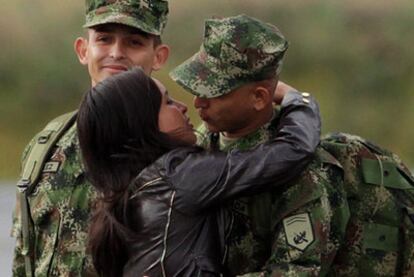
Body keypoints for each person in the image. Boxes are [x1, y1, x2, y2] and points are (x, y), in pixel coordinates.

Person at [171, 15, 414, 277]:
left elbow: (296, 271)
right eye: (196, 87)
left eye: (214, 92)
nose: (198, 102)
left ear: (259, 97)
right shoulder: (202, 142)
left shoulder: (303, 175)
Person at [77, 67, 321, 276]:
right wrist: (297, 99)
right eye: (168, 102)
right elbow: (292, 151)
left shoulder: (122, 197)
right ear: (142, 124)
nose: (184, 107)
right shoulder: (177, 175)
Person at [11, 0, 173, 276]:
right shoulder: (47, 145)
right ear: (83, 50)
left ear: (158, 57)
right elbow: (24, 256)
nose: (116, 53)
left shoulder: (175, 150)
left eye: (134, 42)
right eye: (104, 39)